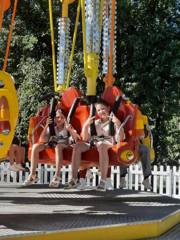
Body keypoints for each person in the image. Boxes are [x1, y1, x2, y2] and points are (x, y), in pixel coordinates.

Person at [66, 98, 125, 191]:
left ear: (108, 108)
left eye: (103, 109)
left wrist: (118, 123)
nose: (101, 111)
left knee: (101, 145)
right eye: (98, 110)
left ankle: (103, 180)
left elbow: (120, 138)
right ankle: (74, 178)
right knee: (77, 146)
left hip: (107, 143)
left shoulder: (113, 122)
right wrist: (85, 126)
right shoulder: (96, 123)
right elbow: (85, 139)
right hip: (94, 143)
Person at [23, 109, 80, 187]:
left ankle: (57, 176)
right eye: (57, 117)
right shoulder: (53, 128)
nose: (59, 119)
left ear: (65, 119)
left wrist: (70, 130)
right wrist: (46, 125)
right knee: (35, 146)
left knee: (58, 146)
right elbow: (42, 140)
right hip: (53, 144)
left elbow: (76, 138)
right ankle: (33, 175)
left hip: (65, 145)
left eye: (61, 117)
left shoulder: (67, 127)